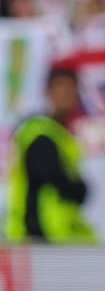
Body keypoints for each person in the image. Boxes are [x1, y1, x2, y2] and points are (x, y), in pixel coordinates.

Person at [4, 64, 96, 242]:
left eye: (71, 88)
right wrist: (79, 188)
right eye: (60, 87)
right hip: (36, 236)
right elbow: (54, 177)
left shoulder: (61, 135)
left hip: (56, 236)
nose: (66, 94)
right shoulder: (40, 134)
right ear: (48, 92)